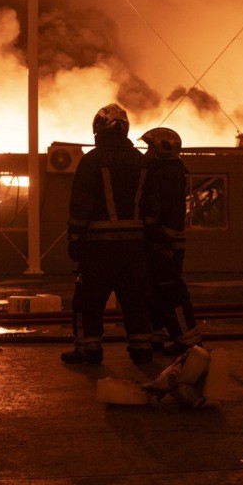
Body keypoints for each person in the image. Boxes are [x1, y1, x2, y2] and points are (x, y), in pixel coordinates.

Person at [61, 103, 155, 365]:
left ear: (99, 128)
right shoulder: (142, 161)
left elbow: (81, 204)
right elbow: (151, 205)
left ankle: (89, 349)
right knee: (136, 300)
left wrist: (75, 237)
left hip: (98, 248)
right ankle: (141, 349)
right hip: (135, 248)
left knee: (88, 301)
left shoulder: (91, 161)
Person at [140, 126, 202, 356]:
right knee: (155, 291)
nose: (146, 153)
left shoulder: (168, 172)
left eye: (150, 147)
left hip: (166, 245)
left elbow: (171, 211)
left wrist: (163, 242)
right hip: (160, 242)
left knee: (171, 291)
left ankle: (188, 340)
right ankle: (157, 337)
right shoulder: (163, 170)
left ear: (162, 149)